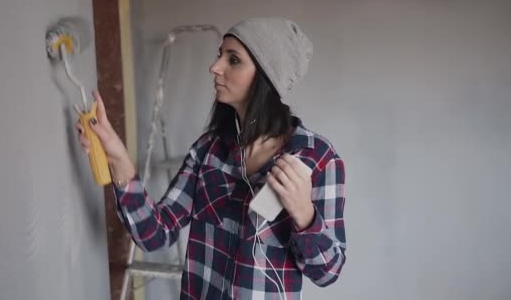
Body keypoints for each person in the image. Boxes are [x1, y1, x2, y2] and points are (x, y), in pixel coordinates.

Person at [77, 17, 346, 300]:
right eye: (220, 55)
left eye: (233, 60)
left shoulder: (317, 158)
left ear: (268, 77)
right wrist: (118, 158)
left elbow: (328, 272)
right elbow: (154, 234)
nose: (215, 67)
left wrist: (305, 215)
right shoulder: (208, 151)